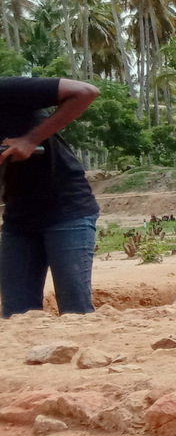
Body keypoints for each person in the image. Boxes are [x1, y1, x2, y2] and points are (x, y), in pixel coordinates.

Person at [0, 77, 102, 317]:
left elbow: (86, 92)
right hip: (18, 216)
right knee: (17, 316)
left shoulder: (6, 91)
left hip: (66, 208)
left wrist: (31, 139)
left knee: (75, 312)